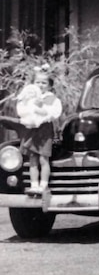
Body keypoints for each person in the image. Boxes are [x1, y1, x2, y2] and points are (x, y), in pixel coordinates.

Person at [16, 67, 62, 196]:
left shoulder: (51, 99)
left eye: (44, 83)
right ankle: (34, 185)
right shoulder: (28, 96)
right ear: (33, 83)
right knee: (33, 159)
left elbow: (52, 113)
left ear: (49, 86)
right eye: (38, 82)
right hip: (31, 130)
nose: (40, 85)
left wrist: (38, 107)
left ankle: (44, 185)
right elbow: (22, 111)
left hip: (44, 131)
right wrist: (29, 104)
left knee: (43, 158)